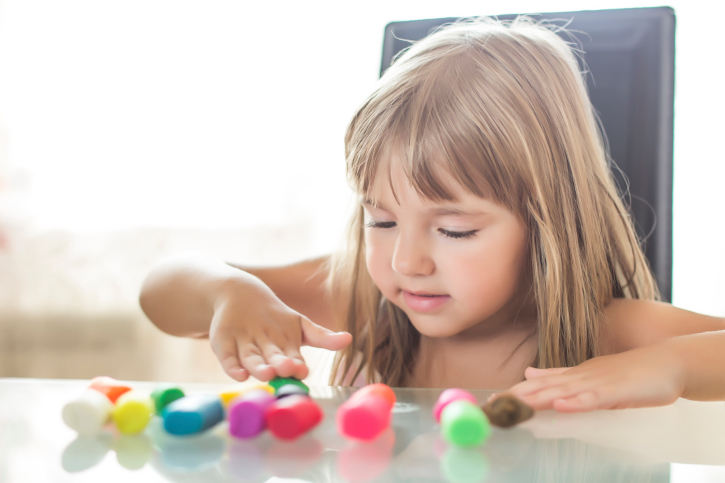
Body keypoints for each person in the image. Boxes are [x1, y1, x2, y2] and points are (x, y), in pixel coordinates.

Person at [140, 17, 725, 413]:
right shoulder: (362, 298)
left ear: (547, 225)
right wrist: (227, 293)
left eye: (454, 230)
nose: (405, 261)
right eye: (382, 220)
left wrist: (671, 364)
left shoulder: (607, 331)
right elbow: (159, 291)